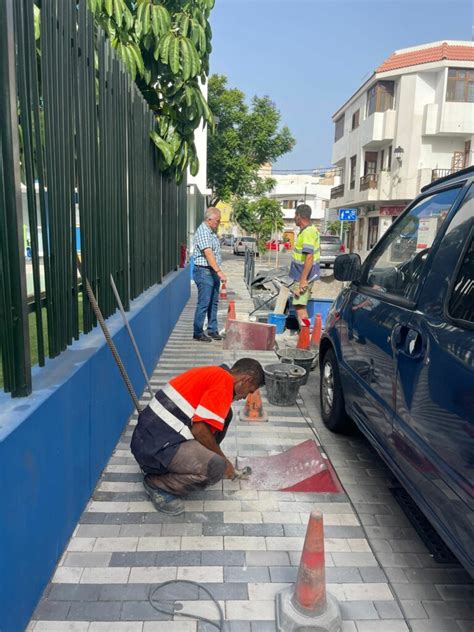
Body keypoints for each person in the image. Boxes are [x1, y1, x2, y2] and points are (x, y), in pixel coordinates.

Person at [130, 358, 265, 515]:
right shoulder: (224, 382)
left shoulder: (216, 373)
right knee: (216, 467)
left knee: (225, 414)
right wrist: (224, 462)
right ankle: (157, 483)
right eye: (249, 391)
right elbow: (199, 430)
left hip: (149, 440)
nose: (245, 397)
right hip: (153, 449)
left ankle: (186, 463)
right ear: (246, 379)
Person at [192, 207, 227, 342]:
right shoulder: (203, 232)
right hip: (204, 271)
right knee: (204, 303)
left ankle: (212, 329)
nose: (218, 223)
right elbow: (208, 253)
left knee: (214, 302)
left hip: (211, 271)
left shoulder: (211, 232)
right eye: (217, 221)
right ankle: (198, 332)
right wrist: (219, 271)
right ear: (209, 219)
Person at [290, 204, 320, 328]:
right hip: (303, 275)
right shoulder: (309, 230)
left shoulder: (308, 232)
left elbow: (309, 257)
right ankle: (305, 331)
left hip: (304, 277)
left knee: (300, 306)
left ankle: (305, 332)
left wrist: (303, 280)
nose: (294, 218)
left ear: (299, 216)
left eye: (295, 215)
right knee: (299, 305)